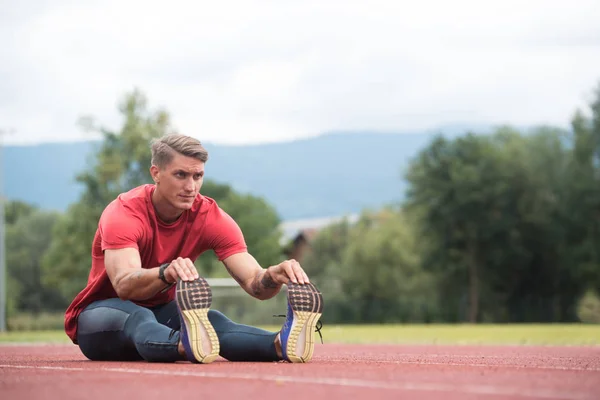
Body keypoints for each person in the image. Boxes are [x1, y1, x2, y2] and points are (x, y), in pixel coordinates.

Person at [63, 133, 323, 364]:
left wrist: (273, 275)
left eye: (198, 176)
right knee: (139, 317)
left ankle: (279, 344)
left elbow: (255, 284)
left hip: (162, 316)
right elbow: (124, 285)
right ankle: (183, 345)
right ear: (156, 173)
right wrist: (166, 273)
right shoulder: (124, 213)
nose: (191, 187)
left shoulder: (210, 216)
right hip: (102, 319)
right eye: (181, 175)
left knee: (213, 321)